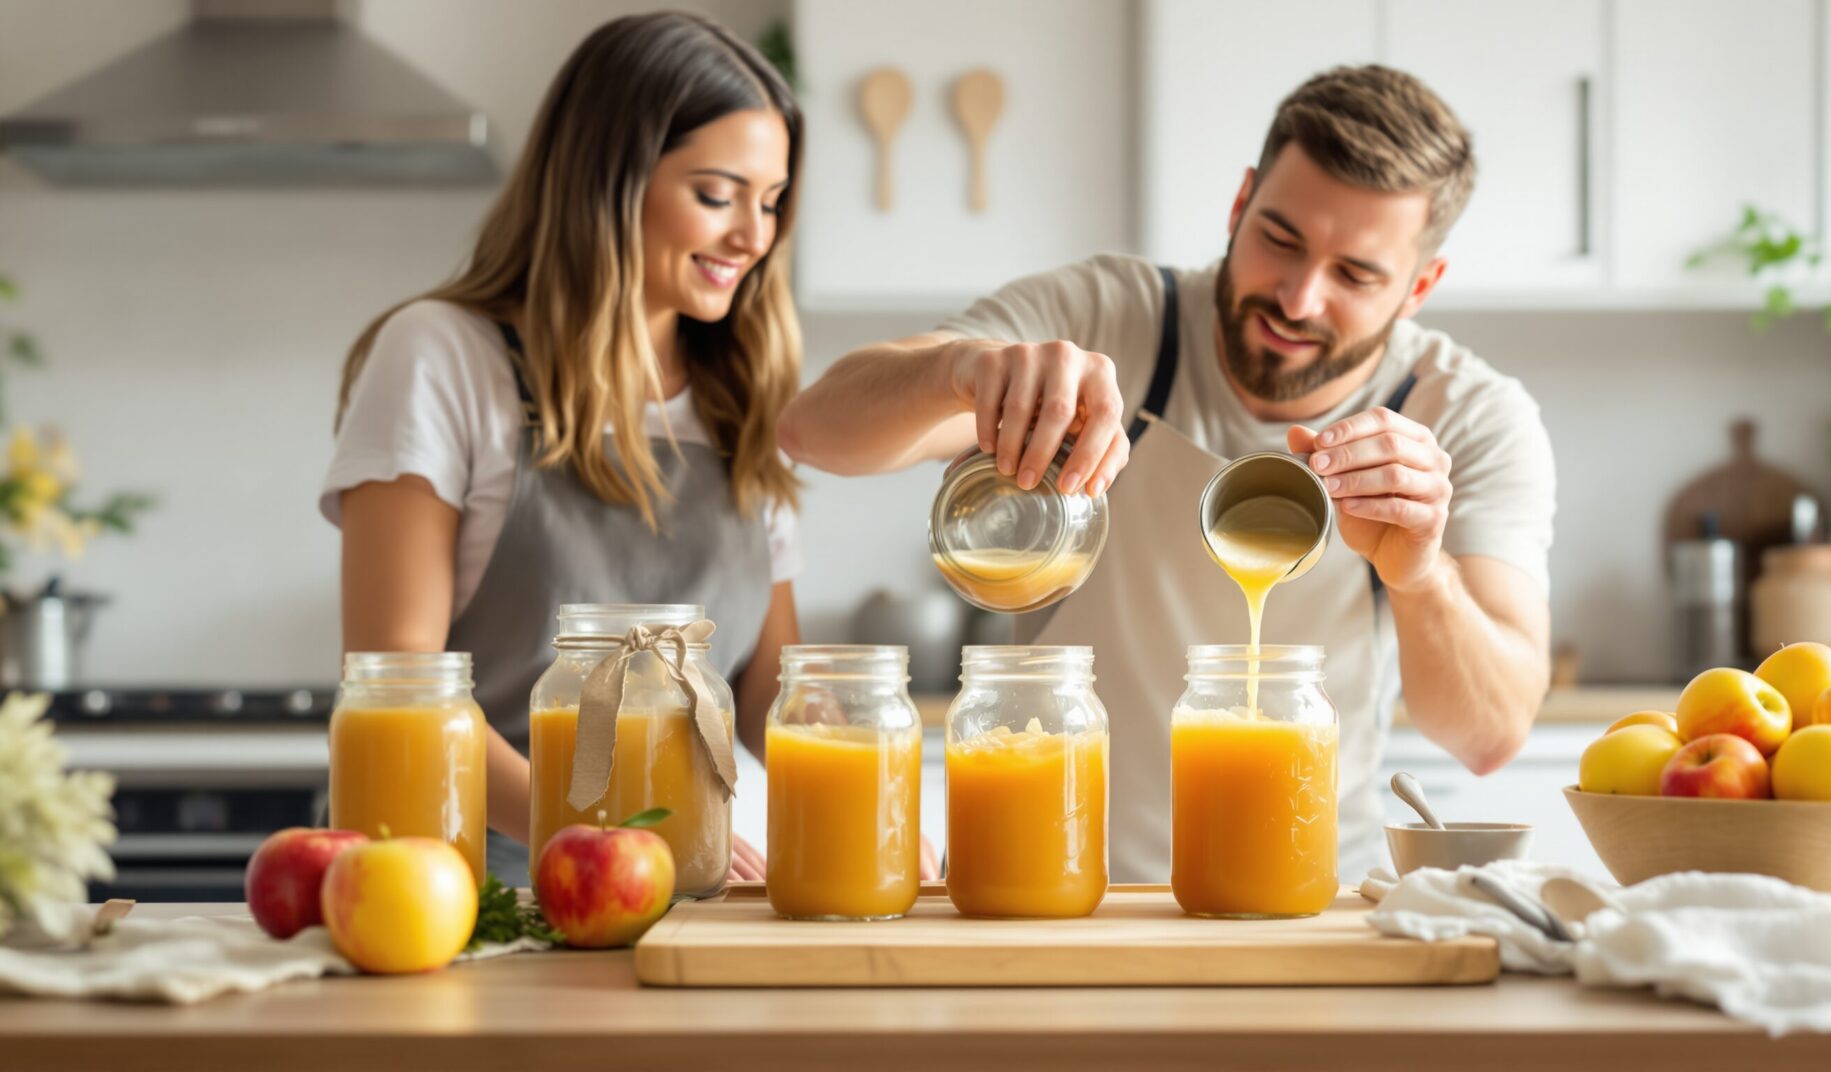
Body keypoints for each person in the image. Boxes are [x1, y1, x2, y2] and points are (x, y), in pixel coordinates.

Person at [779, 65, 1556, 880]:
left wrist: (1421, 575)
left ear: (1420, 286)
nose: (1298, 298)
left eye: (1355, 275)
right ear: (1240, 204)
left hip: (1304, 895)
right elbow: (810, 431)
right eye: (1279, 239)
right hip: (1053, 885)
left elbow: (1489, 735)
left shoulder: (1467, 416)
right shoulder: (1109, 317)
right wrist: (960, 371)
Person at [322, 12, 805, 887]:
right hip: (456, 889)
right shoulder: (443, 355)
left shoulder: (743, 402)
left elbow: (767, 697)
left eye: (770, 202)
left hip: (675, 882)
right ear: (608, 180)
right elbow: (399, 691)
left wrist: (862, 801)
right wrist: (605, 837)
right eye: (717, 194)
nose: (754, 236)